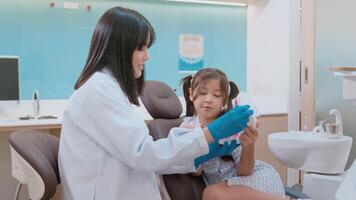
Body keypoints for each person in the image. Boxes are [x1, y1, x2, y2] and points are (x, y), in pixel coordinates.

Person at [58, 7, 253, 200]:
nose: (147, 56)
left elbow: (148, 156)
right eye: (141, 47)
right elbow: (143, 154)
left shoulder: (110, 91)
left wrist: (200, 154)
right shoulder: (97, 92)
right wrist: (211, 133)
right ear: (121, 47)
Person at [180, 68, 286, 200]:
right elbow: (193, 171)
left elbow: (245, 172)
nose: (208, 99)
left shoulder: (232, 124)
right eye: (202, 93)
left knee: (211, 193)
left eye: (217, 95)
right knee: (211, 193)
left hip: (253, 178)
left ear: (225, 100)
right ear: (191, 94)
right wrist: (201, 149)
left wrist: (249, 145)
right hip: (225, 189)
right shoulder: (187, 129)